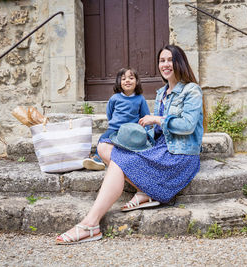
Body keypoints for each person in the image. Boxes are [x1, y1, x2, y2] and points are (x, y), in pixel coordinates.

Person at [56, 44, 203, 245]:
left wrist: (157, 119)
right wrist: (139, 137)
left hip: (179, 155)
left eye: (170, 60)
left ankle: (91, 224)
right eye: (162, 60)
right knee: (107, 147)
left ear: (180, 62)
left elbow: (187, 126)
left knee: (118, 162)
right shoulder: (162, 93)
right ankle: (148, 191)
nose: (165, 64)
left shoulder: (191, 90)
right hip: (160, 149)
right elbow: (157, 133)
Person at [82, 67, 150, 171]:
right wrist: (113, 124)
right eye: (123, 79)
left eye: (131, 78)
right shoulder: (115, 98)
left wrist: (146, 131)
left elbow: (146, 116)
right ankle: (97, 159)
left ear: (137, 82)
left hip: (131, 130)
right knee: (102, 139)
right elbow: (110, 112)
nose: (127, 80)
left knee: (133, 146)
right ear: (119, 82)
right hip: (114, 128)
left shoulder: (140, 98)